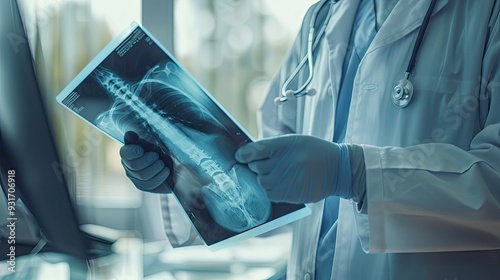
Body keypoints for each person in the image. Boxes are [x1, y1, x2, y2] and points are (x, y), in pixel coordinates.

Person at [120, 0, 500, 279]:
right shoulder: (324, 18)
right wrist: (182, 177)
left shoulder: (485, 14)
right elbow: (268, 173)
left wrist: (352, 173)